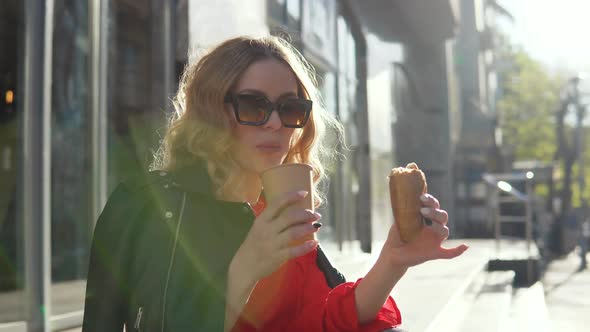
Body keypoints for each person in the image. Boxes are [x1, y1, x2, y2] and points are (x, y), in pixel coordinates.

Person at [81, 35, 468, 332]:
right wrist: (249, 263)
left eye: (290, 109)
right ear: (212, 111)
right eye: (253, 106)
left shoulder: (277, 211)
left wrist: (392, 260)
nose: (275, 124)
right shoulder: (148, 204)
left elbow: (322, 318)